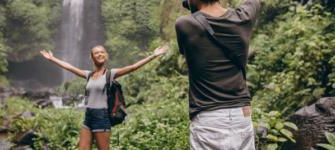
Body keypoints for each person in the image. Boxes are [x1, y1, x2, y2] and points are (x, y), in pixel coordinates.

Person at [40, 45, 168, 150]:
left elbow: (132, 67)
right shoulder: (89, 75)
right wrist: (52, 58)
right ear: (92, 57)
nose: (100, 54)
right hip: (88, 116)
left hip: (101, 116)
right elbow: (70, 67)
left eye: (102, 52)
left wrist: (153, 55)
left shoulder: (110, 74)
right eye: (96, 53)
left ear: (106, 56)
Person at [175, 0, 260, 149]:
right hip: (241, 114)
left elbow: (185, 50)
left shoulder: (185, 25)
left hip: (209, 118)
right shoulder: (243, 18)